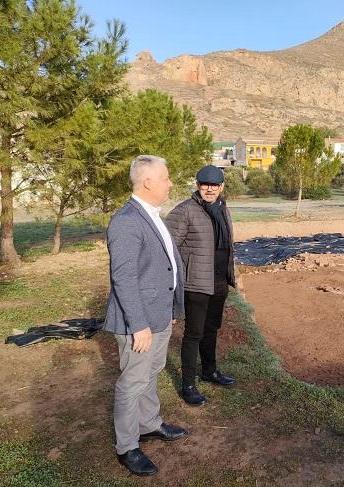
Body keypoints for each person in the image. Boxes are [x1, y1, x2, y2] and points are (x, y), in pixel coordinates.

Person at [104, 155, 188, 477]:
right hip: (137, 322)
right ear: (147, 181)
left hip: (159, 315)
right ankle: (127, 447)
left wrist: (169, 312)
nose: (170, 183)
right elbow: (123, 278)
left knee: (152, 371)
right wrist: (138, 325)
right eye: (165, 178)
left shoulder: (152, 215)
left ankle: (150, 423)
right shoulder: (126, 221)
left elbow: (163, 267)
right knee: (132, 382)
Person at [166, 165, 236, 406]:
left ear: (221, 187)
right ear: (197, 186)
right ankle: (188, 384)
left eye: (214, 185)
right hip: (195, 283)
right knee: (193, 333)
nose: (209, 188)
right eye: (204, 184)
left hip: (218, 281)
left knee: (212, 328)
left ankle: (209, 370)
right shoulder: (185, 211)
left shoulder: (222, 208)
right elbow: (167, 248)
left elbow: (226, 245)